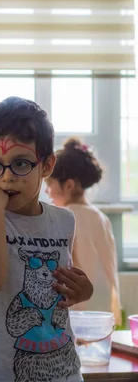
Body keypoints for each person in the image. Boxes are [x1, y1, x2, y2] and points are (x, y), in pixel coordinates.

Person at [0, 97, 94, 382]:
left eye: (20, 163)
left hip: (61, 378)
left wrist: (83, 290)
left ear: (46, 165)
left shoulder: (64, 220)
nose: (6, 177)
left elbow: (64, 286)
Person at [46, 137, 122, 325]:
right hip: (101, 309)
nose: (47, 192)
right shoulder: (99, 216)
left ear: (69, 185)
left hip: (78, 311)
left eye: (49, 185)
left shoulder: (67, 216)